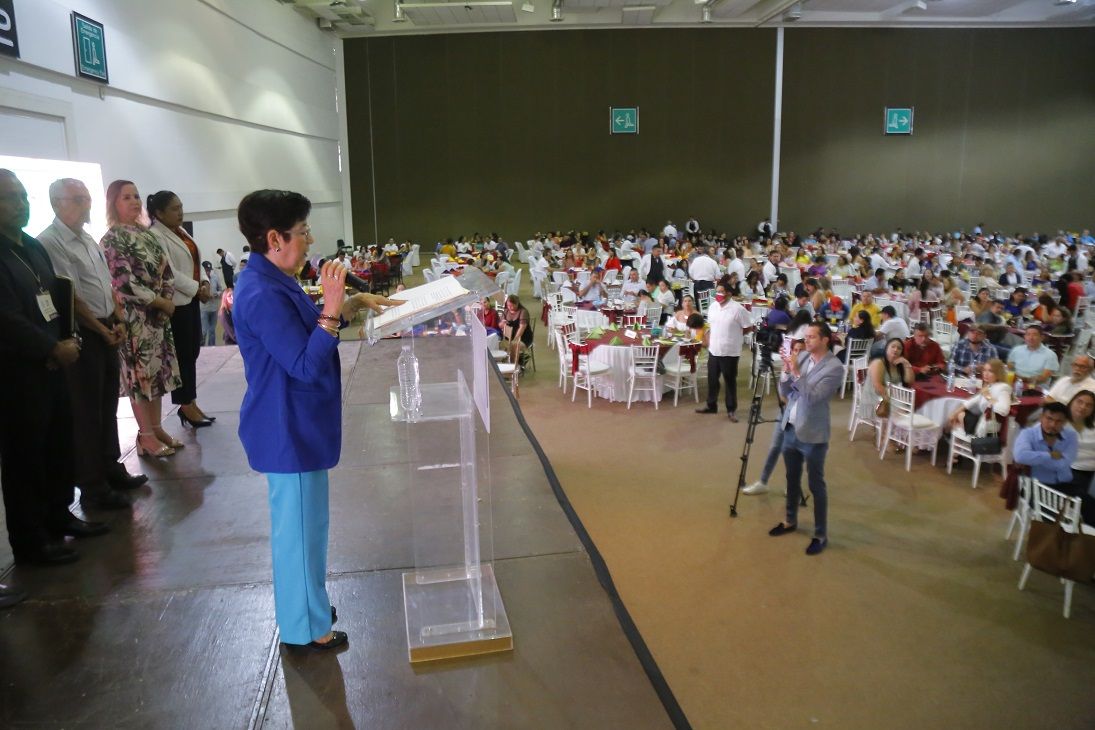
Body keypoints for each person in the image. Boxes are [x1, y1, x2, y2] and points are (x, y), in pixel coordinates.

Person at [233, 189, 399, 651]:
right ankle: (305, 627)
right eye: (303, 231)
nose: (309, 239)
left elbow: (309, 330)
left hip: (296, 423)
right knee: (299, 535)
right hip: (288, 427)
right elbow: (304, 364)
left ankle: (310, 604)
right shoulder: (262, 292)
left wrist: (357, 301)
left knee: (308, 527)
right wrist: (330, 306)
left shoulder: (272, 278)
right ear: (274, 237)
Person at [0, 169, 108, 566]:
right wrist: (50, 346)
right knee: (25, 458)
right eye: (10, 197)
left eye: (23, 195)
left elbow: (57, 295)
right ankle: (30, 541)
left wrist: (70, 339)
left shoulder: (29, 245)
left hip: (54, 362)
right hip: (17, 372)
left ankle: (59, 516)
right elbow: (6, 318)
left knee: (59, 445)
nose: (21, 203)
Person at [38, 178, 147, 511]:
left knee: (107, 407)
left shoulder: (87, 239)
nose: (85, 204)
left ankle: (110, 468)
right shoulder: (51, 242)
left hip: (105, 329)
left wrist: (116, 318)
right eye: (77, 199)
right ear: (57, 203)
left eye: (87, 198)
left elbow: (105, 285)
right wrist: (101, 329)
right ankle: (92, 485)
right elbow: (71, 297)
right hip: (85, 335)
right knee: (85, 414)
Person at [100, 180, 184, 458]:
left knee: (158, 376)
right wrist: (158, 301)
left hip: (158, 317)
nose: (134, 201)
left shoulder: (145, 234)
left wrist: (165, 299)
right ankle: (145, 436)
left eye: (136, 196)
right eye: (126, 197)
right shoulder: (112, 238)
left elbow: (166, 272)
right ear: (114, 203)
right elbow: (123, 281)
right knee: (141, 378)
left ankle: (156, 427)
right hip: (135, 319)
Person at [769, 322, 844, 555]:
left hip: (813, 433)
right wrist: (785, 371)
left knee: (815, 485)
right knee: (791, 479)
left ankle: (820, 534)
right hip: (790, 428)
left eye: (812, 337)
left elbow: (814, 398)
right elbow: (787, 393)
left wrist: (797, 373)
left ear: (824, 340)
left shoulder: (834, 367)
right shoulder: (801, 357)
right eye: (806, 336)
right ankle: (790, 520)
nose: (806, 340)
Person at [148, 191, 214, 429]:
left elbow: (196, 260)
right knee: (183, 356)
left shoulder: (180, 231)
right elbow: (169, 272)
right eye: (175, 209)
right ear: (159, 213)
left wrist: (205, 282)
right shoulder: (155, 235)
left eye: (181, 207)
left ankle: (191, 401)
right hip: (177, 302)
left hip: (192, 299)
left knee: (192, 353)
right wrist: (198, 289)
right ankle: (185, 405)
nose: (180, 212)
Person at [743, 338, 806, 496]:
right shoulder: (788, 369)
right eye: (795, 350)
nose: (797, 354)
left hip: (800, 417)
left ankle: (792, 486)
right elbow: (783, 397)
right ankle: (763, 482)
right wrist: (786, 372)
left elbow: (800, 397)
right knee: (775, 447)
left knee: (793, 453)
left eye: (802, 351)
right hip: (784, 412)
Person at [696, 283, 753, 421]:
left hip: (730, 350)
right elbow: (708, 326)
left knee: (730, 381)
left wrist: (735, 335)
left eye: (721, 292)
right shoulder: (713, 307)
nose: (718, 294)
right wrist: (708, 339)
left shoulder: (738, 309)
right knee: (712, 379)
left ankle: (731, 409)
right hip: (714, 349)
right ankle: (711, 405)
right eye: (717, 292)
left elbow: (748, 326)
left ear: (728, 293)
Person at [1013, 402, 1077, 490]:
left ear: (1065, 422)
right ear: (1041, 417)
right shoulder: (1027, 433)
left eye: (1058, 421)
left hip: (1066, 482)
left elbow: (1067, 461)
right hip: (1038, 486)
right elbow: (1020, 456)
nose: (1052, 425)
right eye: (1049, 419)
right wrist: (1050, 455)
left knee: (1089, 502)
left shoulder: (1071, 435)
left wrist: (1034, 458)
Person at [947, 359, 1011, 438]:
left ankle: (963, 439)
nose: (986, 374)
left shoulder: (1003, 388)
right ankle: (958, 437)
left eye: (990, 371)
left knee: (960, 415)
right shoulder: (989, 385)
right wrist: (954, 413)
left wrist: (988, 396)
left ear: (998, 374)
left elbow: (1003, 410)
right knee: (958, 412)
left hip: (988, 427)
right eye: (984, 370)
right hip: (982, 420)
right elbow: (972, 401)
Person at [860, 338, 914, 419]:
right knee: (903, 409)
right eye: (893, 346)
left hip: (890, 396)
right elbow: (877, 386)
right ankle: (891, 429)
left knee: (909, 404)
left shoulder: (898, 364)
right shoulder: (878, 363)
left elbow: (909, 380)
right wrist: (893, 399)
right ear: (886, 348)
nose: (895, 349)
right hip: (875, 398)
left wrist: (906, 364)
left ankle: (894, 428)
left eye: (899, 348)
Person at [1063, 390, 1095, 525]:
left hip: (1089, 474)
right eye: (1080, 402)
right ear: (1071, 402)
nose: (1083, 407)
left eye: (1089, 405)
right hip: (1069, 473)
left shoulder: (1092, 426)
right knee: (1088, 504)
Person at [502, 293, 533, 367]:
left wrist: (515, 339)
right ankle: (504, 366)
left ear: (517, 304)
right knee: (499, 343)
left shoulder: (523, 312)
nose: (510, 307)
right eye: (508, 305)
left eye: (512, 305)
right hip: (510, 337)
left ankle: (514, 366)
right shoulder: (506, 311)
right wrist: (502, 324)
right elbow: (500, 324)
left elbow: (522, 327)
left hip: (523, 337)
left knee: (514, 345)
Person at [200, 261, 225, 345]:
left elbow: (220, 289)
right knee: (204, 330)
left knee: (212, 331)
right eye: (206, 270)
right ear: (203, 270)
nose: (208, 272)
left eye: (209, 270)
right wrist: (205, 294)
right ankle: (202, 349)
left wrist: (216, 294)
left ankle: (212, 348)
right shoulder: (200, 279)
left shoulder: (215, 277)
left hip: (214, 308)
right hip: (204, 308)